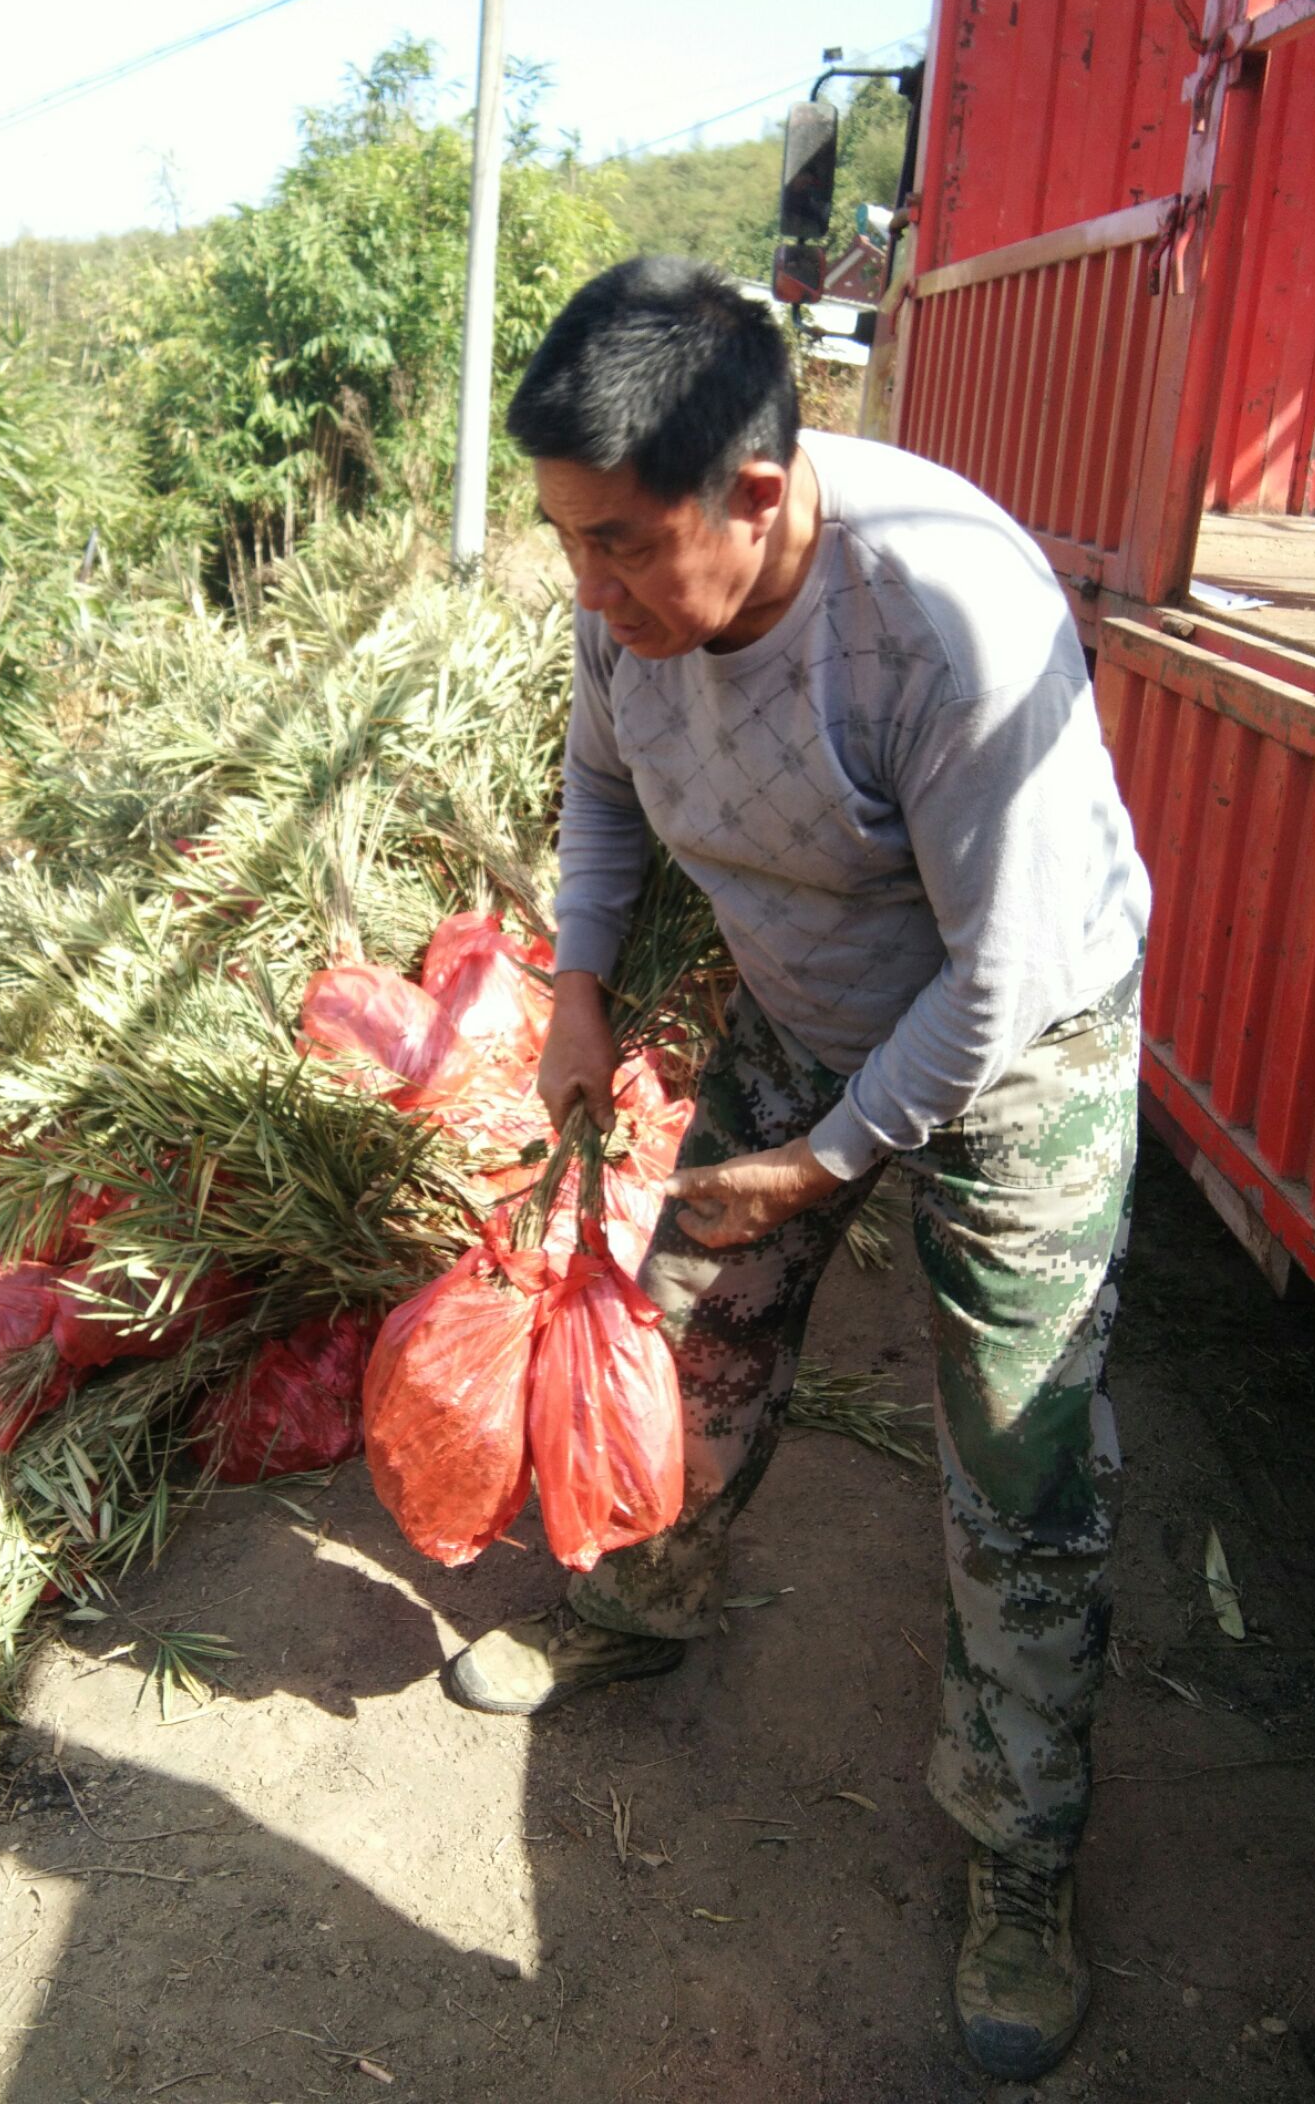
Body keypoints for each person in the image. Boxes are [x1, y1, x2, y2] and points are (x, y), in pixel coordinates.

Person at [442, 256, 1151, 2084]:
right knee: (694, 1324)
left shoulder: (946, 615)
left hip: (1020, 1040)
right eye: (563, 544)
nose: (585, 589)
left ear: (757, 491)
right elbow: (603, 789)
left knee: (1021, 1441)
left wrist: (834, 1159)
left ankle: (1020, 1850)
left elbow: (998, 977)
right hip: (804, 998)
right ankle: (640, 1609)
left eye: (615, 548)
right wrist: (580, 994)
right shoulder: (630, 592)